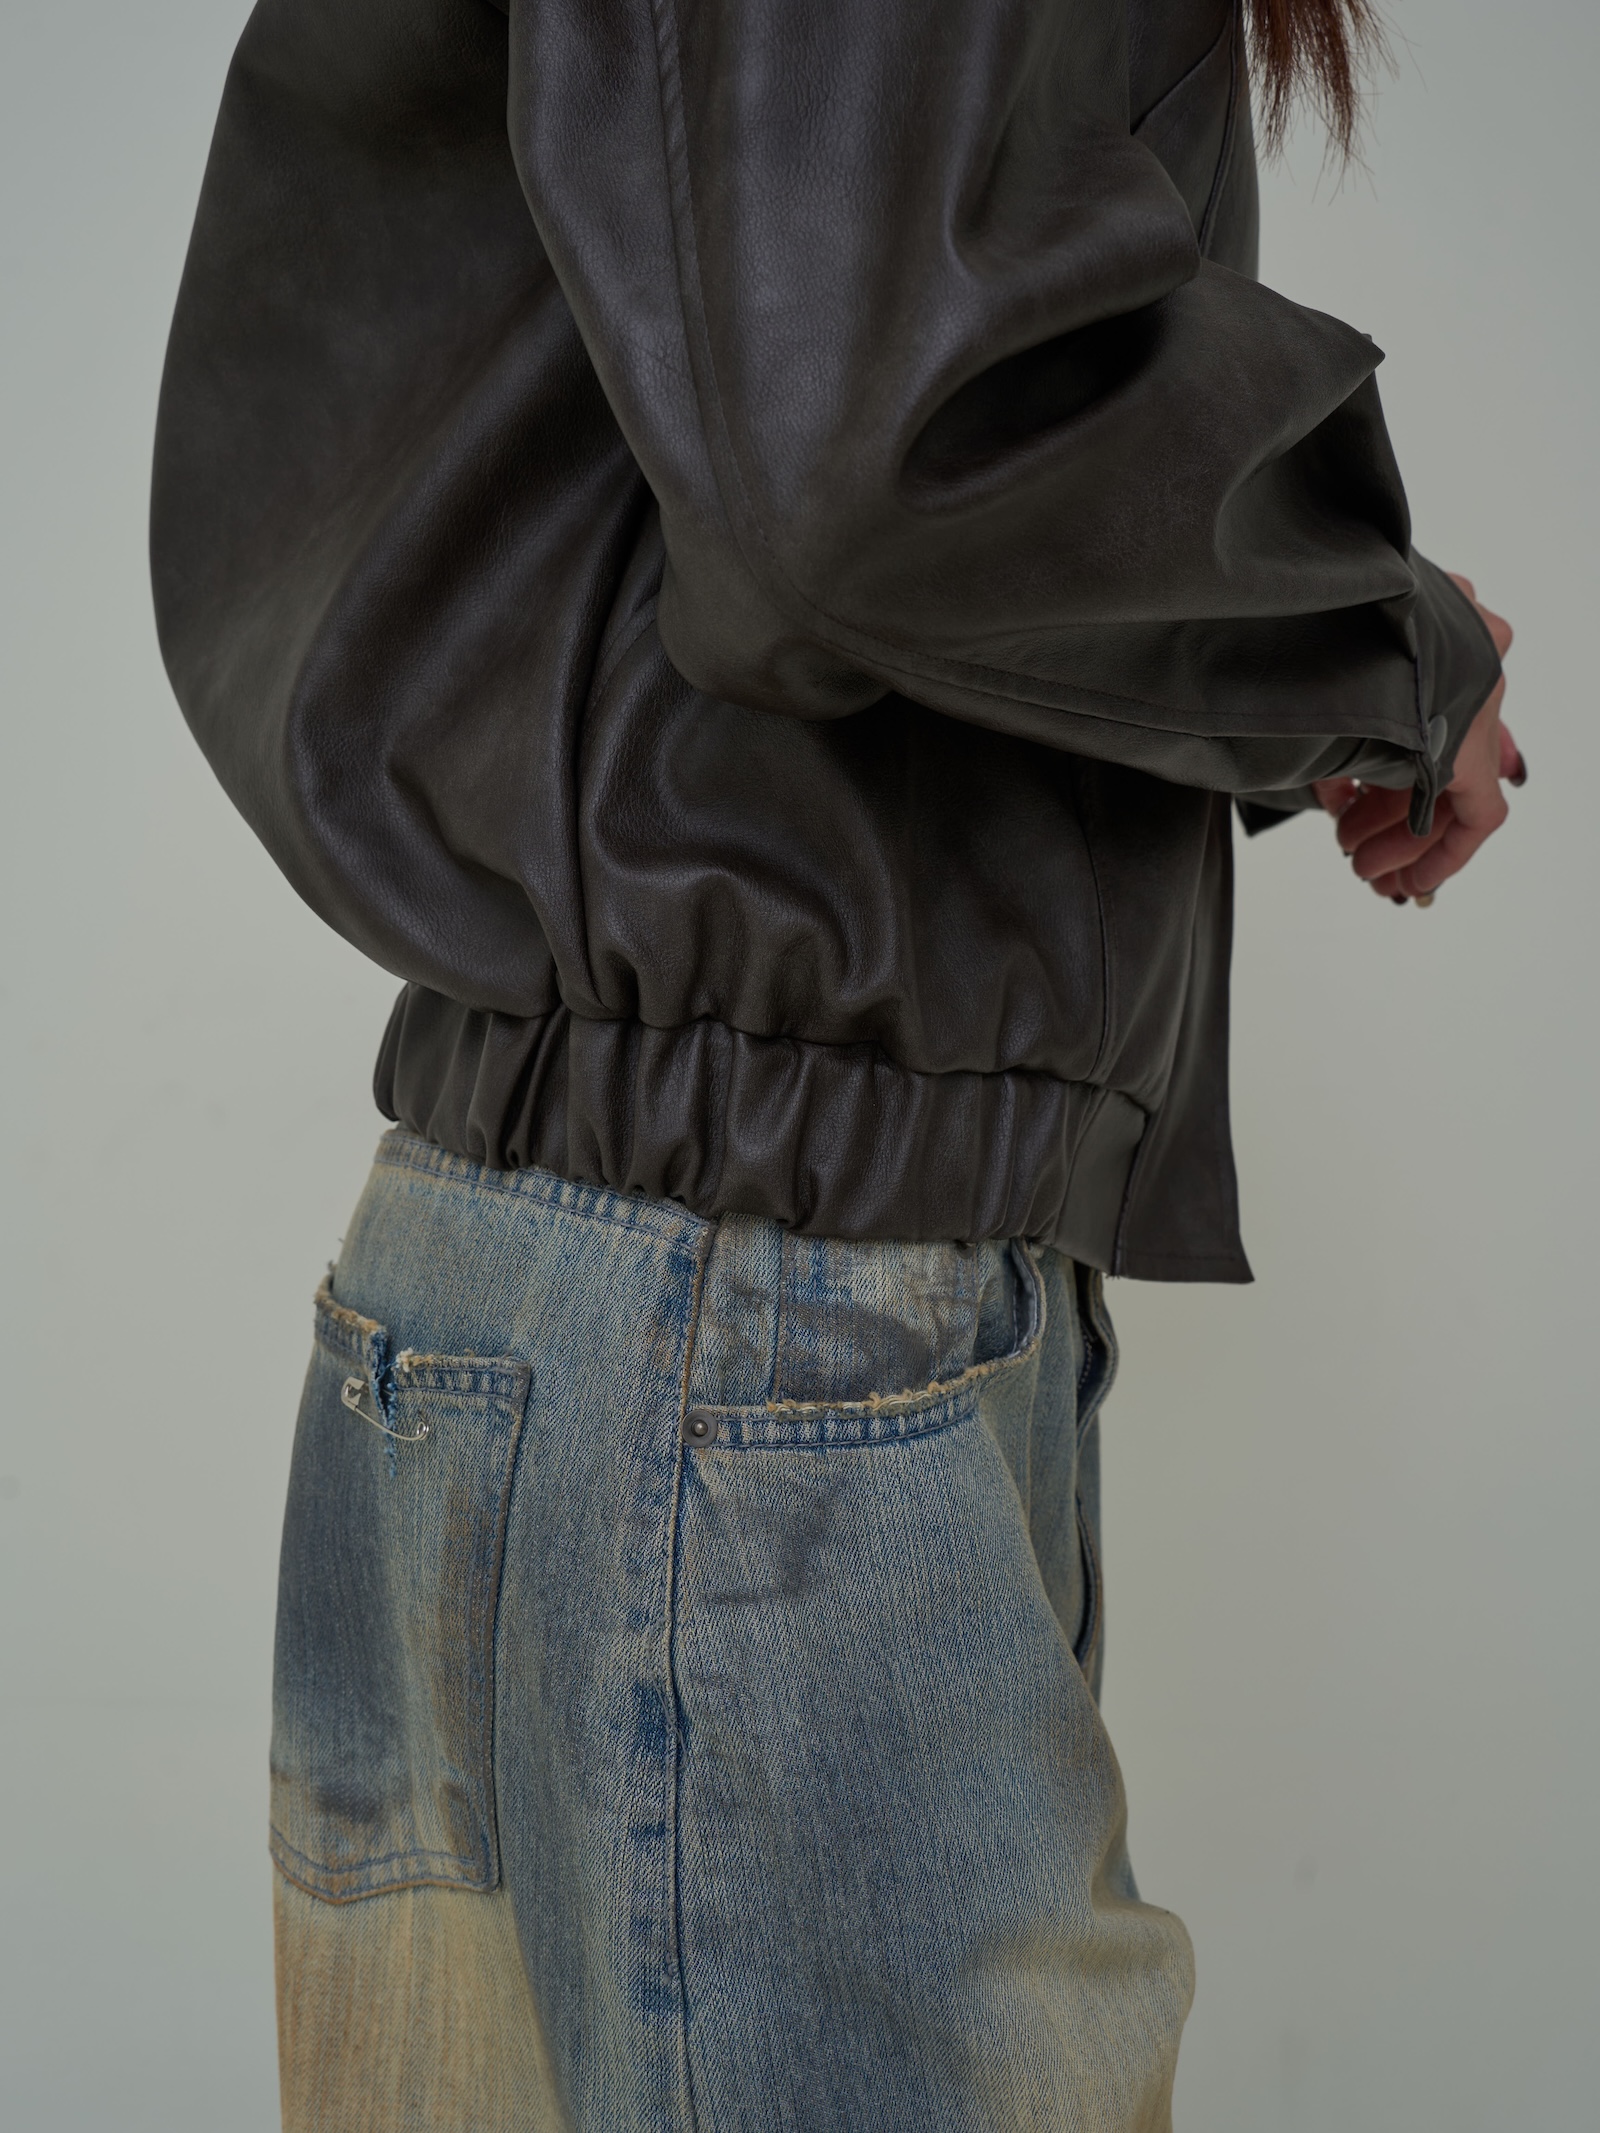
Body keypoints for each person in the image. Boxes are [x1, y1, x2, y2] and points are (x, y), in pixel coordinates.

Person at [151, 0, 1518, 2124]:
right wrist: (1362, 628)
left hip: (538, 1281)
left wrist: (1312, 645)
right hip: (752, 1338)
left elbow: (773, 383)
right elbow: (863, 447)